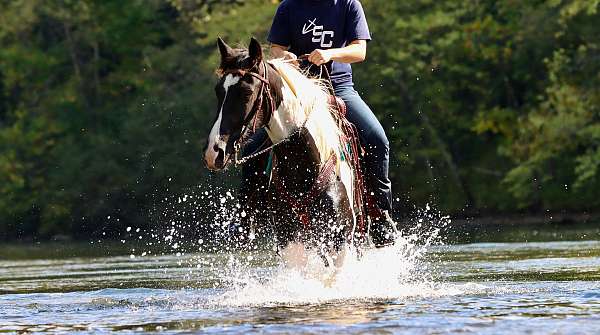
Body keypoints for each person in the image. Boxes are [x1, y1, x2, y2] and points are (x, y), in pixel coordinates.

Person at [241, 0, 397, 247]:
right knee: (251, 148)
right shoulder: (289, 7)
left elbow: (359, 51)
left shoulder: (348, 5)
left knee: (378, 139)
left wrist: (330, 54)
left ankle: (380, 216)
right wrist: (286, 57)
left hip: (340, 88)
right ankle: (247, 216)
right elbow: (275, 50)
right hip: (299, 92)